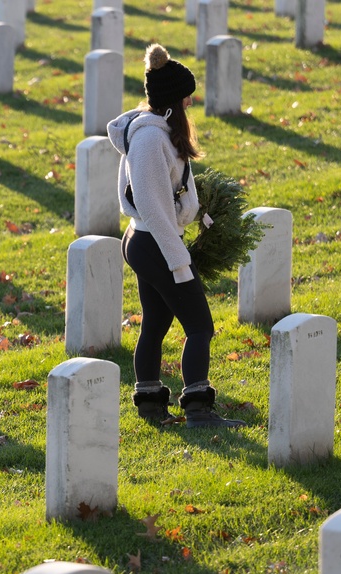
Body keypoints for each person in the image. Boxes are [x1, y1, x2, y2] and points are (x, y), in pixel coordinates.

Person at [106, 44, 245, 429]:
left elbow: (167, 195)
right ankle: (199, 410)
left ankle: (151, 404)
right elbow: (151, 205)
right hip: (155, 243)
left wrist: (197, 214)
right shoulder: (150, 140)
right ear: (169, 104)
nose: (189, 106)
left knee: (155, 322)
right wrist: (179, 261)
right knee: (201, 326)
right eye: (185, 100)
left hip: (149, 240)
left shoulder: (156, 131)